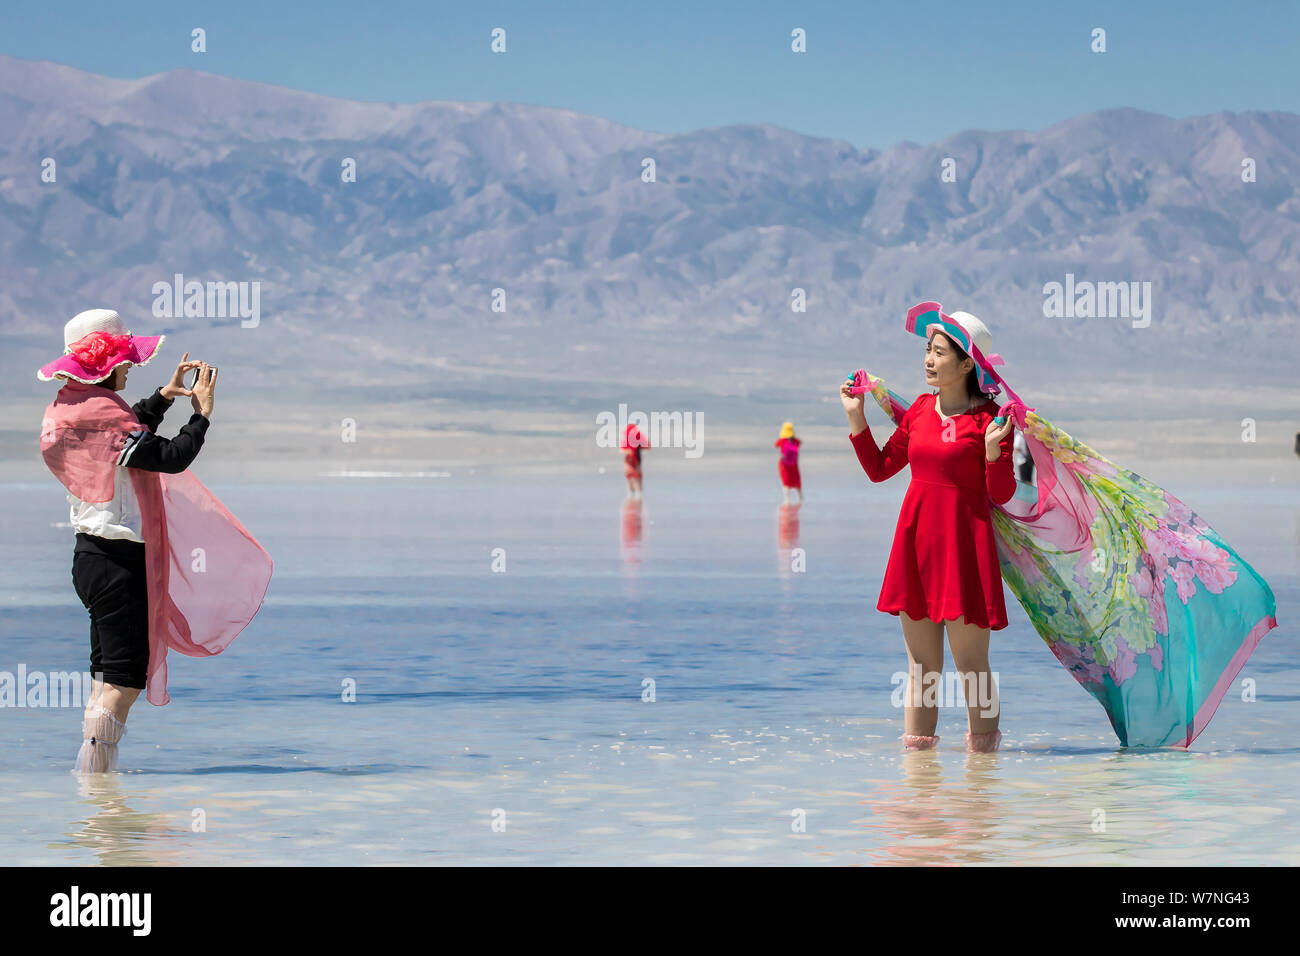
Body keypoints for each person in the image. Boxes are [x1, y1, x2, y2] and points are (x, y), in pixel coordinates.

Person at [38, 308, 271, 772]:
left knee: (106, 673)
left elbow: (131, 432)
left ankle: (96, 791)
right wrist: (202, 416)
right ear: (105, 366)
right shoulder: (105, 421)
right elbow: (168, 456)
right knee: (124, 679)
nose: (131, 367)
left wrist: (165, 396)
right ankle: (97, 785)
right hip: (119, 562)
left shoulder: (72, 408)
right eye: (124, 361)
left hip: (90, 557)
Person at [841, 309, 1015, 754]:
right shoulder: (919, 410)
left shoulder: (992, 420)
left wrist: (994, 453)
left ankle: (983, 775)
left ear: (965, 365)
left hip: (965, 551)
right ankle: (919, 777)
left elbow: (1003, 492)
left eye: (939, 352)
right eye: (927, 350)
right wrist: (856, 418)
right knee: (922, 669)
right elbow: (881, 469)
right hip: (916, 548)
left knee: (972, 666)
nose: (928, 360)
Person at [774, 422, 803, 504]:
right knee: (796, 480)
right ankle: (800, 498)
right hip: (794, 464)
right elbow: (800, 443)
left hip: (784, 464)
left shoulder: (782, 441)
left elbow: (776, 444)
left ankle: (787, 499)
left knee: (786, 481)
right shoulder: (796, 440)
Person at [621, 424, 646, 499]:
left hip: (632, 460)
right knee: (635, 477)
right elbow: (646, 446)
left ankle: (633, 493)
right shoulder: (638, 438)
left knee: (632, 477)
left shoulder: (628, 439)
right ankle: (637, 493)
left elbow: (623, 450)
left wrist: (629, 451)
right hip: (634, 460)